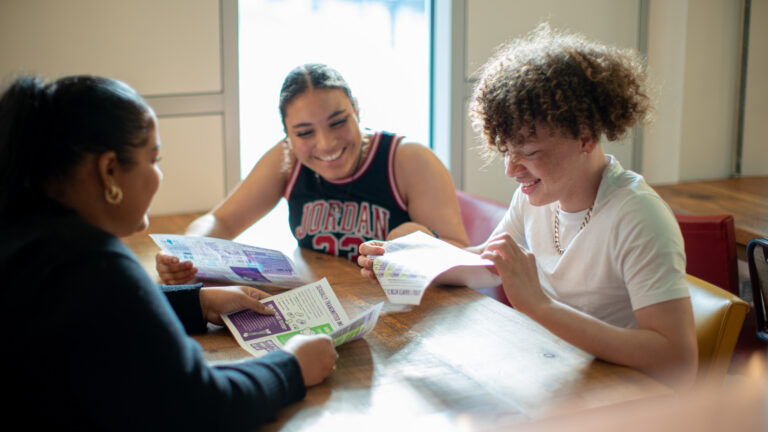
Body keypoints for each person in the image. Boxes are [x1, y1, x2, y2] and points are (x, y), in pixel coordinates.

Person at [359, 25, 698, 390]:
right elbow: (487, 266)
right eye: (506, 151)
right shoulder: (537, 197)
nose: (511, 169)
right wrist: (406, 263)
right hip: (561, 373)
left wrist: (540, 307)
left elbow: (677, 360)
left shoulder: (638, 215)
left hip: (625, 396)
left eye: (530, 153)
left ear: (585, 136)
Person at [0, 75, 337, 430]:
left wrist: (198, 302)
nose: (160, 175)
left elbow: (94, 314)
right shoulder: (93, 262)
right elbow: (201, 406)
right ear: (109, 170)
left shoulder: (30, 241)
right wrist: (292, 367)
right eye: (154, 158)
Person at [156, 63, 469, 285]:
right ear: (287, 136)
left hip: (410, 317)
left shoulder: (408, 159)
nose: (326, 143)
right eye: (305, 132)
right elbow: (220, 220)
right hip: (328, 304)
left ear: (357, 111)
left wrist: (419, 242)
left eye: (338, 122)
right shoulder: (286, 158)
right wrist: (183, 251)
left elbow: (462, 255)